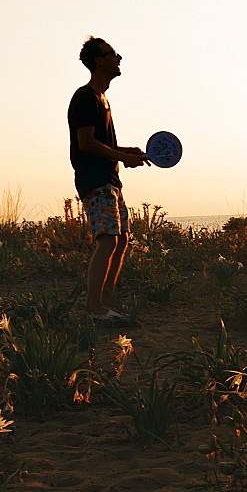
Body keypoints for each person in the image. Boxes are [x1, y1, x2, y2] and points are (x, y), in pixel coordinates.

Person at [68, 37, 148, 319]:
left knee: (122, 239)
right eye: (113, 54)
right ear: (99, 61)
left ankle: (107, 302)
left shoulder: (102, 100)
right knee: (107, 240)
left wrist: (124, 151)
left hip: (109, 179)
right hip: (94, 178)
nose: (119, 58)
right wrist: (123, 158)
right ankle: (94, 309)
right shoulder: (86, 97)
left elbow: (99, 143)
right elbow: (85, 143)